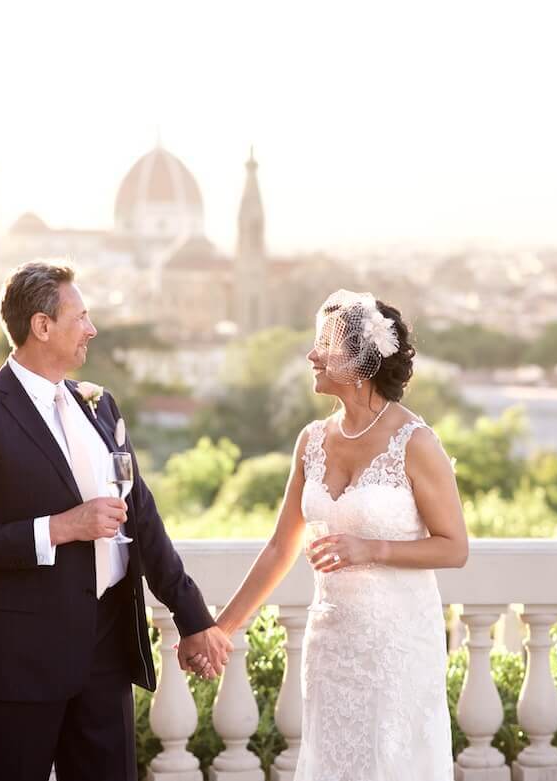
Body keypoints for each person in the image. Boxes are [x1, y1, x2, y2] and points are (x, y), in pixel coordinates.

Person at [0, 260, 233, 781]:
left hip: (107, 647)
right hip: (20, 658)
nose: (92, 329)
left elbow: (143, 518)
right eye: (81, 317)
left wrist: (193, 618)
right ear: (41, 326)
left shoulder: (101, 405)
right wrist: (59, 527)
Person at [199, 289, 469, 781]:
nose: (312, 354)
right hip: (332, 645)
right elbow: (282, 547)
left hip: (397, 645)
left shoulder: (416, 441)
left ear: (363, 361)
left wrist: (372, 548)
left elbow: (455, 548)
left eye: (326, 344)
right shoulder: (312, 440)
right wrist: (222, 628)